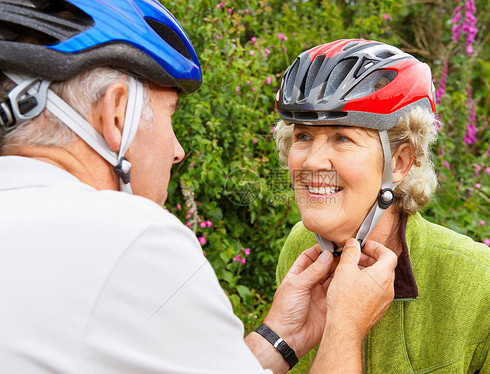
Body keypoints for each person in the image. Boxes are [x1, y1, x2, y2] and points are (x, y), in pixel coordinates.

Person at [0, 3, 398, 373]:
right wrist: (344, 327)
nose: (178, 151)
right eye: (170, 114)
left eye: (343, 137)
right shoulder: (132, 237)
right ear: (117, 114)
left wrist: (281, 338)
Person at [274, 39, 490, 373]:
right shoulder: (300, 249)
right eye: (303, 136)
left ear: (399, 162)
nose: (311, 161)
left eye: (342, 137)